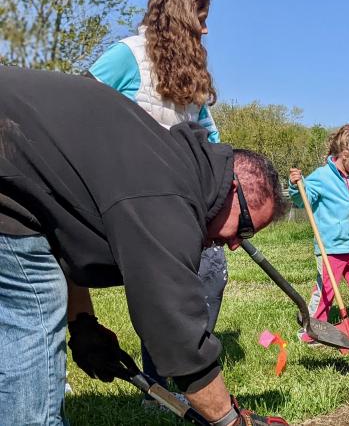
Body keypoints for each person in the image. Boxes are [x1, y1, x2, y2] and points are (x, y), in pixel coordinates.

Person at [0, 66, 288, 426]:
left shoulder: (170, 162)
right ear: (233, 189)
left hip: (14, 186)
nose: (233, 244)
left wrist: (82, 323)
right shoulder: (168, 193)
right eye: (243, 228)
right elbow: (173, 326)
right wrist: (230, 421)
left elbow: (58, 224)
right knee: (33, 346)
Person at [87, 0, 227, 402]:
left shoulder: (193, 71)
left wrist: (227, 169)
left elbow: (208, 131)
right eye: (201, 20)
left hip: (184, 194)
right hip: (134, 195)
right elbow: (80, 104)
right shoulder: (128, 55)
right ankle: (161, 387)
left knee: (211, 273)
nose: (206, 30)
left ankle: (186, 365)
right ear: (183, 15)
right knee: (161, 287)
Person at [288, 125, 349, 343]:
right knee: (325, 292)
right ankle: (311, 331)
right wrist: (297, 186)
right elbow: (303, 198)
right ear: (344, 154)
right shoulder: (322, 176)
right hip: (330, 248)